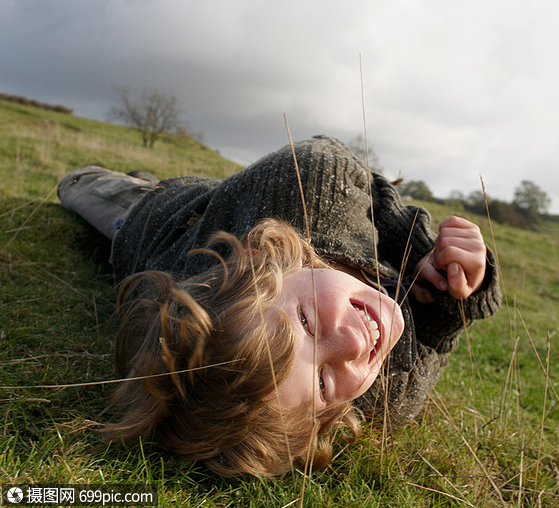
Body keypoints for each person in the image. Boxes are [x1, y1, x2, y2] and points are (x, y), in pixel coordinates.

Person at [58, 135, 501, 477]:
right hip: (213, 223)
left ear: (263, 261)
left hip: (157, 223)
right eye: (324, 383)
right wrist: (449, 288)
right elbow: (432, 346)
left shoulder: (307, 190)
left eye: (307, 323)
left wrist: (415, 240)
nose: (352, 345)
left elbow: (327, 156)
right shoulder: (383, 402)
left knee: (84, 188)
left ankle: (115, 179)